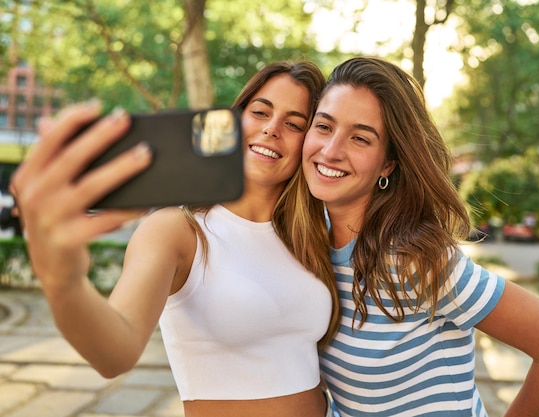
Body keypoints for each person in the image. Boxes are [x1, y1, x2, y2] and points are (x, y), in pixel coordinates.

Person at [10, 61, 340, 417]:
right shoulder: (176, 230)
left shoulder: (311, 236)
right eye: (260, 112)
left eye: (294, 124)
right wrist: (64, 282)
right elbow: (114, 353)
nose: (272, 129)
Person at [297, 56, 539, 416]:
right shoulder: (309, 247)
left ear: (388, 164)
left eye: (360, 138)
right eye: (324, 127)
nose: (331, 150)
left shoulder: (414, 258)